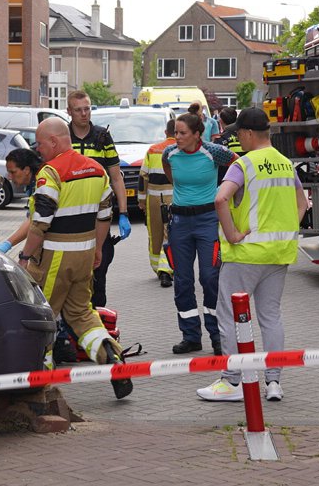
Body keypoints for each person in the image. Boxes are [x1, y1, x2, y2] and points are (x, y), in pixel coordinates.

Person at [196, 107, 309, 403]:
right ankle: (274, 382)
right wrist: (288, 229)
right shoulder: (286, 164)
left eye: (239, 135)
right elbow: (302, 203)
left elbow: (220, 198)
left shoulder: (244, 164)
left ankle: (232, 381)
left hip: (245, 254)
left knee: (230, 315)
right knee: (270, 315)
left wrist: (232, 234)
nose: (238, 141)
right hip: (279, 253)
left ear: (247, 133)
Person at [19, 118, 132, 399]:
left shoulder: (51, 172)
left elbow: (40, 222)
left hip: (55, 255)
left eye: (41, 143)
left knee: (43, 315)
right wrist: (97, 249)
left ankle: (40, 381)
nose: (38, 148)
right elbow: (105, 214)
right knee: (82, 313)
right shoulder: (96, 169)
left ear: (55, 142)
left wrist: (24, 256)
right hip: (84, 253)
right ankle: (113, 361)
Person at [161, 111, 236, 356]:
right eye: (175, 133)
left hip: (207, 221)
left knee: (209, 277)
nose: (177, 138)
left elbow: (238, 165)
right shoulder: (169, 154)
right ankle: (191, 336)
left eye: (183, 133)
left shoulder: (213, 152)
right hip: (180, 222)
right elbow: (169, 171)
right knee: (182, 281)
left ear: (197, 135)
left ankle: (217, 336)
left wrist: (226, 192)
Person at [65, 89, 129, 308]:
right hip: (68, 217)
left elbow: (116, 177)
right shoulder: (63, 138)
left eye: (87, 109)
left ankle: (99, 330)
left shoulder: (102, 137)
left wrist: (124, 213)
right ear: (69, 112)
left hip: (98, 218)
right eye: (78, 110)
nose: (84, 114)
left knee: (98, 279)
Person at [140, 116, 177, 287]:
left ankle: (159, 267)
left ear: (165, 132)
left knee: (155, 234)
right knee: (170, 233)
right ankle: (167, 268)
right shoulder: (180, 149)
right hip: (174, 196)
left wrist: (141, 201)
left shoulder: (152, 150)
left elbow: (143, 177)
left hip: (154, 198)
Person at [0, 146, 43, 253]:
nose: (10, 177)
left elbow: (34, 222)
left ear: (26, 170)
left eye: (13, 172)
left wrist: (7, 244)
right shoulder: (33, 185)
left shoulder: (42, 185)